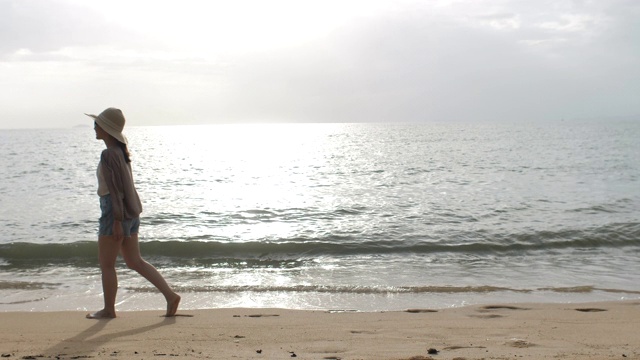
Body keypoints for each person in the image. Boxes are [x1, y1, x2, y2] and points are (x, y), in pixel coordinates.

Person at [85, 107, 180, 319]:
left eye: (97, 124)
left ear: (107, 130)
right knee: (134, 261)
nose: (94, 127)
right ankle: (170, 295)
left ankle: (109, 310)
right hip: (131, 211)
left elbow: (115, 191)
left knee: (107, 264)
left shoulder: (109, 154)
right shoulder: (121, 152)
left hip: (115, 211)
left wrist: (117, 221)